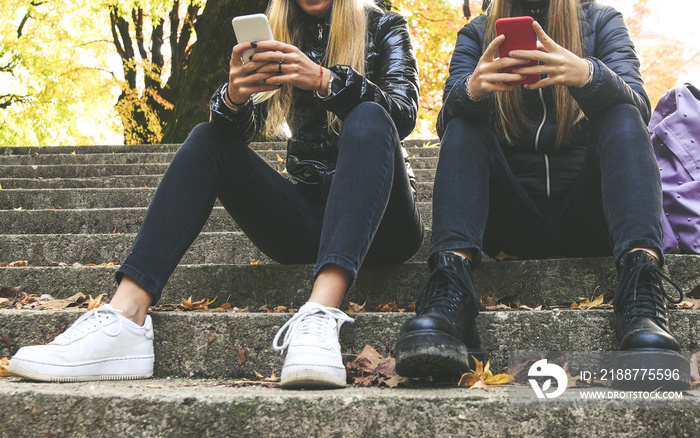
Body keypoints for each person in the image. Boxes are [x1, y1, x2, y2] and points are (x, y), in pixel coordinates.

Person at [8, 0, 423, 389]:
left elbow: (401, 113)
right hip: (308, 220)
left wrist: (324, 80)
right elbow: (236, 135)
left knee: (370, 114)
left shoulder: (384, 25)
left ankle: (319, 316)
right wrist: (234, 98)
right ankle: (125, 316)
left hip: (384, 221)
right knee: (207, 138)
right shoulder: (276, 29)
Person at [394, 0, 688, 381]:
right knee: (463, 122)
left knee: (623, 111)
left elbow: (639, 104)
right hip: (511, 225)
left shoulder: (601, 21)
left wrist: (587, 74)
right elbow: (447, 117)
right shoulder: (477, 32)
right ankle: (450, 295)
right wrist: (473, 91)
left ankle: (641, 296)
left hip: (592, 219)